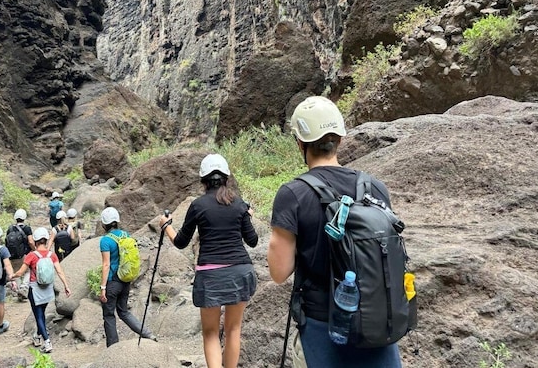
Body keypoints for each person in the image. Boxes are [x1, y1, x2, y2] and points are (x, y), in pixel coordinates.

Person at [267, 96, 403, 367]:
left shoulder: (293, 194)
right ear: (339, 139)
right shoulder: (375, 188)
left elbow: (279, 273)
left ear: (300, 143)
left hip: (323, 329)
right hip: (377, 325)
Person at [159, 154, 258, 368]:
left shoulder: (198, 205)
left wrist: (166, 225)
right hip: (241, 270)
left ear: (203, 181)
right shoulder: (240, 204)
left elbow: (181, 242)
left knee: (211, 333)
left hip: (211, 274)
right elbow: (252, 241)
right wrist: (247, 216)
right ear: (226, 178)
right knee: (233, 330)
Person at [98, 206, 156, 347]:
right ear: (117, 221)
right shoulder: (125, 235)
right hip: (125, 281)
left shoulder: (105, 241)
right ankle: (147, 333)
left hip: (112, 282)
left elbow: (106, 265)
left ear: (103, 223)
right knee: (123, 312)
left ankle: (113, 348)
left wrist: (103, 287)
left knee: (109, 315)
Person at [10, 227, 71, 353]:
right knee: (41, 314)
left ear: (36, 241)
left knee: (38, 316)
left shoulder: (32, 256)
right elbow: (59, 271)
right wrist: (66, 286)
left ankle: (47, 342)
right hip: (48, 289)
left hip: (35, 288)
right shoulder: (51, 255)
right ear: (46, 240)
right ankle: (37, 336)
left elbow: (21, 272)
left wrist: (12, 276)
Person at [6, 209, 35, 298]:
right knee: (28, 270)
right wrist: (34, 250)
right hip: (24, 255)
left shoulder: (10, 228)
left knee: (16, 272)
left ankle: (18, 290)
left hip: (12, 255)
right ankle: (24, 287)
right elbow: (30, 241)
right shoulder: (27, 228)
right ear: (24, 218)